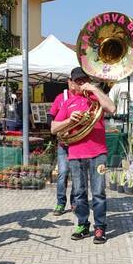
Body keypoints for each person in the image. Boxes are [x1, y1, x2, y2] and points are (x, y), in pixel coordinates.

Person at [52, 67, 116, 244]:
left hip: (98, 153)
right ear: (71, 83)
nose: (81, 84)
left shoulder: (96, 98)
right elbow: (53, 128)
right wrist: (69, 120)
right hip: (75, 154)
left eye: (84, 80)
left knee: (98, 192)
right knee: (79, 193)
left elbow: (112, 107)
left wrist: (94, 88)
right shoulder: (67, 103)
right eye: (77, 81)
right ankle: (82, 224)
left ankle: (100, 227)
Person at [48, 81, 75, 216]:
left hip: (77, 143)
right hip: (63, 144)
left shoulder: (84, 98)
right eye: (74, 81)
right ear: (69, 82)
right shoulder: (60, 97)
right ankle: (60, 203)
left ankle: (75, 202)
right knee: (63, 173)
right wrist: (59, 130)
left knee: (77, 175)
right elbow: (50, 117)